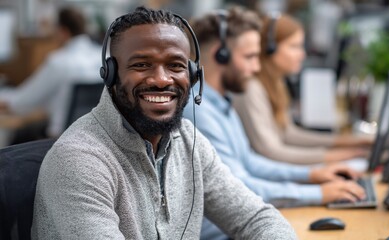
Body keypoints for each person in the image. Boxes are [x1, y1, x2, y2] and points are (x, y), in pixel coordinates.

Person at [31, 6, 299, 240]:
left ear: (193, 74)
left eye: (175, 65)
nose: (161, 79)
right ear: (111, 74)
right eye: (141, 65)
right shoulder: (79, 161)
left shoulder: (189, 141)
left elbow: (256, 218)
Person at [183, 8, 366, 240]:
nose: (257, 67)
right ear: (221, 55)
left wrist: (311, 175)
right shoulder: (199, 113)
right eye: (249, 57)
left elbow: (250, 163)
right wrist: (316, 193)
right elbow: (240, 186)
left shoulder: (221, 103)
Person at [233, 13, 373, 165]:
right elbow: (271, 151)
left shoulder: (275, 83)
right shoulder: (251, 89)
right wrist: (344, 155)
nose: (302, 55)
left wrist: (351, 143)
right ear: (270, 49)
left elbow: (288, 134)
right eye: (294, 46)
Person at [0, 6, 101, 138]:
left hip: (60, 140)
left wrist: (4, 97)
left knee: (13, 142)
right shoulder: (103, 56)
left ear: (63, 31)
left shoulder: (59, 62)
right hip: (94, 137)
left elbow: (24, 100)